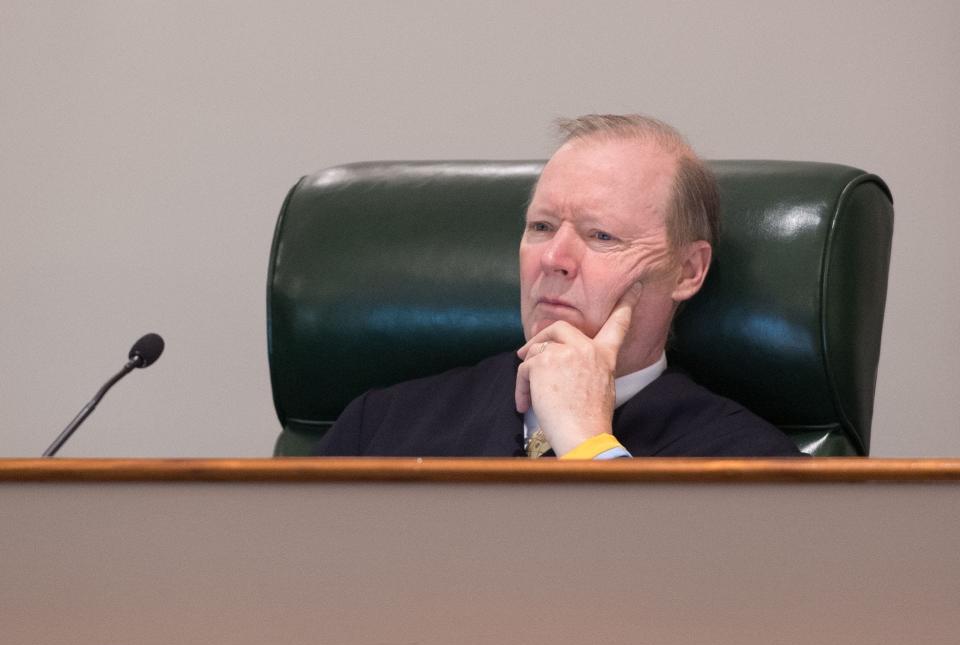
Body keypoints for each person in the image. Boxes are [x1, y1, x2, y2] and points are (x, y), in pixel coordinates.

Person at [314, 114, 802, 458]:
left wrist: (587, 444)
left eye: (601, 236)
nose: (553, 259)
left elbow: (675, 599)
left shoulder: (747, 465)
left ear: (687, 271)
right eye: (542, 227)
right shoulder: (380, 426)